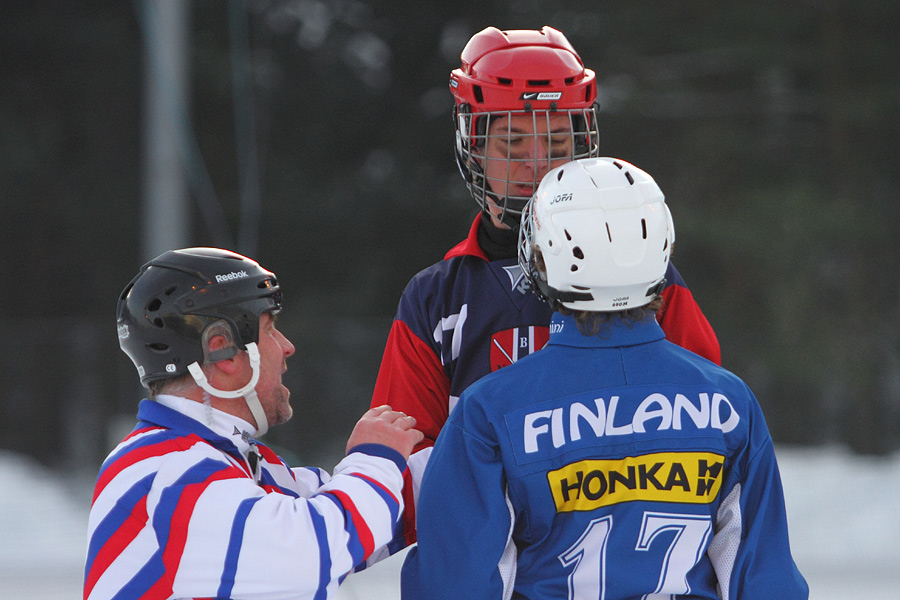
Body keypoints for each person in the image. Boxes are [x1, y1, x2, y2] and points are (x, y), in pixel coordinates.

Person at [370, 25, 721, 550]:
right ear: (473, 148)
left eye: (557, 142)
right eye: (511, 142)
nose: (536, 164)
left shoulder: (641, 269)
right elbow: (403, 466)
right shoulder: (435, 299)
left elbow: (707, 424)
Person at [401, 157, 808, 599]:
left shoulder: (489, 411)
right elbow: (764, 582)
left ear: (542, 257)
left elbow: (451, 585)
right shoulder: (729, 404)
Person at [84, 247, 423, 600]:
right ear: (223, 350)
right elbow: (310, 555)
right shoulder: (170, 468)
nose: (287, 347)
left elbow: (370, 522)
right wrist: (375, 458)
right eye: (271, 329)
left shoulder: (228, 462)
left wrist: (474, 438)